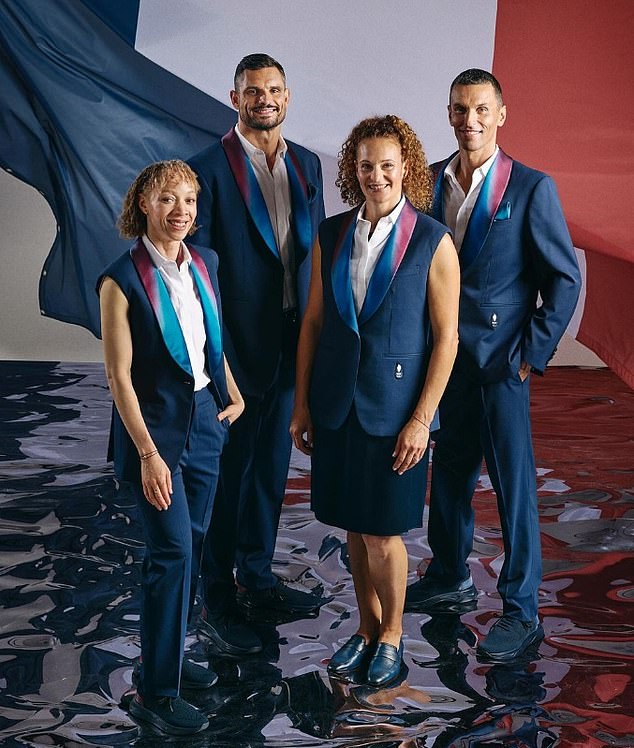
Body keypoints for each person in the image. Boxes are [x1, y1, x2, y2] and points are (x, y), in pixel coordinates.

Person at [404, 69, 582, 662]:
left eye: (481, 108)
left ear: (501, 114)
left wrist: (531, 353)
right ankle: (451, 574)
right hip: (444, 362)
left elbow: (563, 277)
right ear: (448, 113)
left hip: (502, 363)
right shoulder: (426, 183)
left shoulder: (532, 188)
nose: (469, 119)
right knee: (450, 474)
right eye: (459, 108)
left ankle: (521, 608)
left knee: (513, 488)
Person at [291, 115, 460, 686]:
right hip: (336, 405)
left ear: (406, 168)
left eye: (387, 165)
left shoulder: (433, 240)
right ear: (353, 169)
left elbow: (447, 338)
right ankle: (365, 630)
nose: (376, 175)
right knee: (354, 529)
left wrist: (421, 420)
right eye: (366, 165)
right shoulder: (332, 233)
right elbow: (313, 322)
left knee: (384, 533)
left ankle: (393, 637)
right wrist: (302, 404)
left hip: (396, 415)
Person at [99, 160, 244, 735]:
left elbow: (211, 337)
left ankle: (173, 658)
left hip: (206, 423)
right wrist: (148, 454)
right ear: (143, 205)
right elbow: (118, 377)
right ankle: (156, 692)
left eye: (188, 199)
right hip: (154, 437)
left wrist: (229, 389)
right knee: (172, 554)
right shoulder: (121, 279)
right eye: (166, 199)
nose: (180, 211)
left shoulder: (204, 262)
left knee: (199, 544)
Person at [188, 53, 325, 653]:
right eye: (251, 91)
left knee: (271, 468)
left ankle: (258, 576)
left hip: (293, 343)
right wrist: (219, 359)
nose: (263, 99)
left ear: (288, 97)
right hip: (236, 352)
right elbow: (200, 275)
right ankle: (216, 593)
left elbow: (314, 257)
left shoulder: (308, 164)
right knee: (228, 474)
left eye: (273, 90)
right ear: (234, 96)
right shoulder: (207, 170)